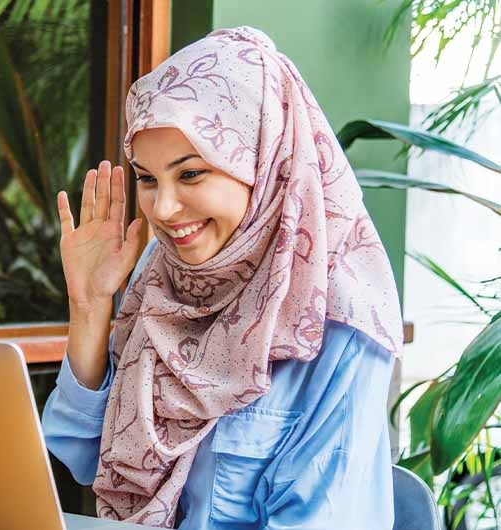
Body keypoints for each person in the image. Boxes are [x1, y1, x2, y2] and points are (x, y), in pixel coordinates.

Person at [42, 26, 403, 530]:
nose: (164, 210)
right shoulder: (163, 275)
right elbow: (85, 456)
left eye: (191, 173)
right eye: (148, 179)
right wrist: (89, 306)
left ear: (265, 161)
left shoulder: (339, 321)